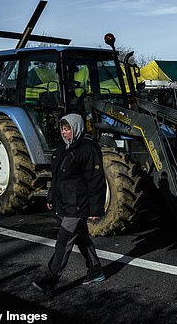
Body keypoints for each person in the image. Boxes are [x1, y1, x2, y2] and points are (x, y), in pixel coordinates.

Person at [32, 114, 107, 295]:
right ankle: (96, 270)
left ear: (77, 128)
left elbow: (96, 180)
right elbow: (57, 177)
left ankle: (49, 281)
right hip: (66, 203)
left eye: (68, 129)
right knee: (81, 237)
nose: (65, 133)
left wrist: (96, 208)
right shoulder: (62, 149)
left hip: (78, 205)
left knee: (63, 241)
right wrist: (51, 197)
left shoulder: (88, 148)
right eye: (63, 129)